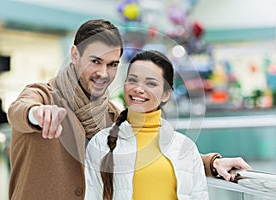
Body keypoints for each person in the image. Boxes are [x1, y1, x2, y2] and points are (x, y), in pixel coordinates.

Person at [7, 19, 251, 200]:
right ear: (74, 54)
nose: (104, 73)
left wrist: (210, 163)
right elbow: (19, 110)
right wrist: (37, 115)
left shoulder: (110, 116)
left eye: (112, 64)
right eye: (95, 61)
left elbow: (144, 152)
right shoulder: (44, 95)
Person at [85, 50, 209, 199]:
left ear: (166, 93)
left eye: (150, 83)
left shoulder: (186, 148)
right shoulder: (100, 144)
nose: (138, 89)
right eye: (132, 80)